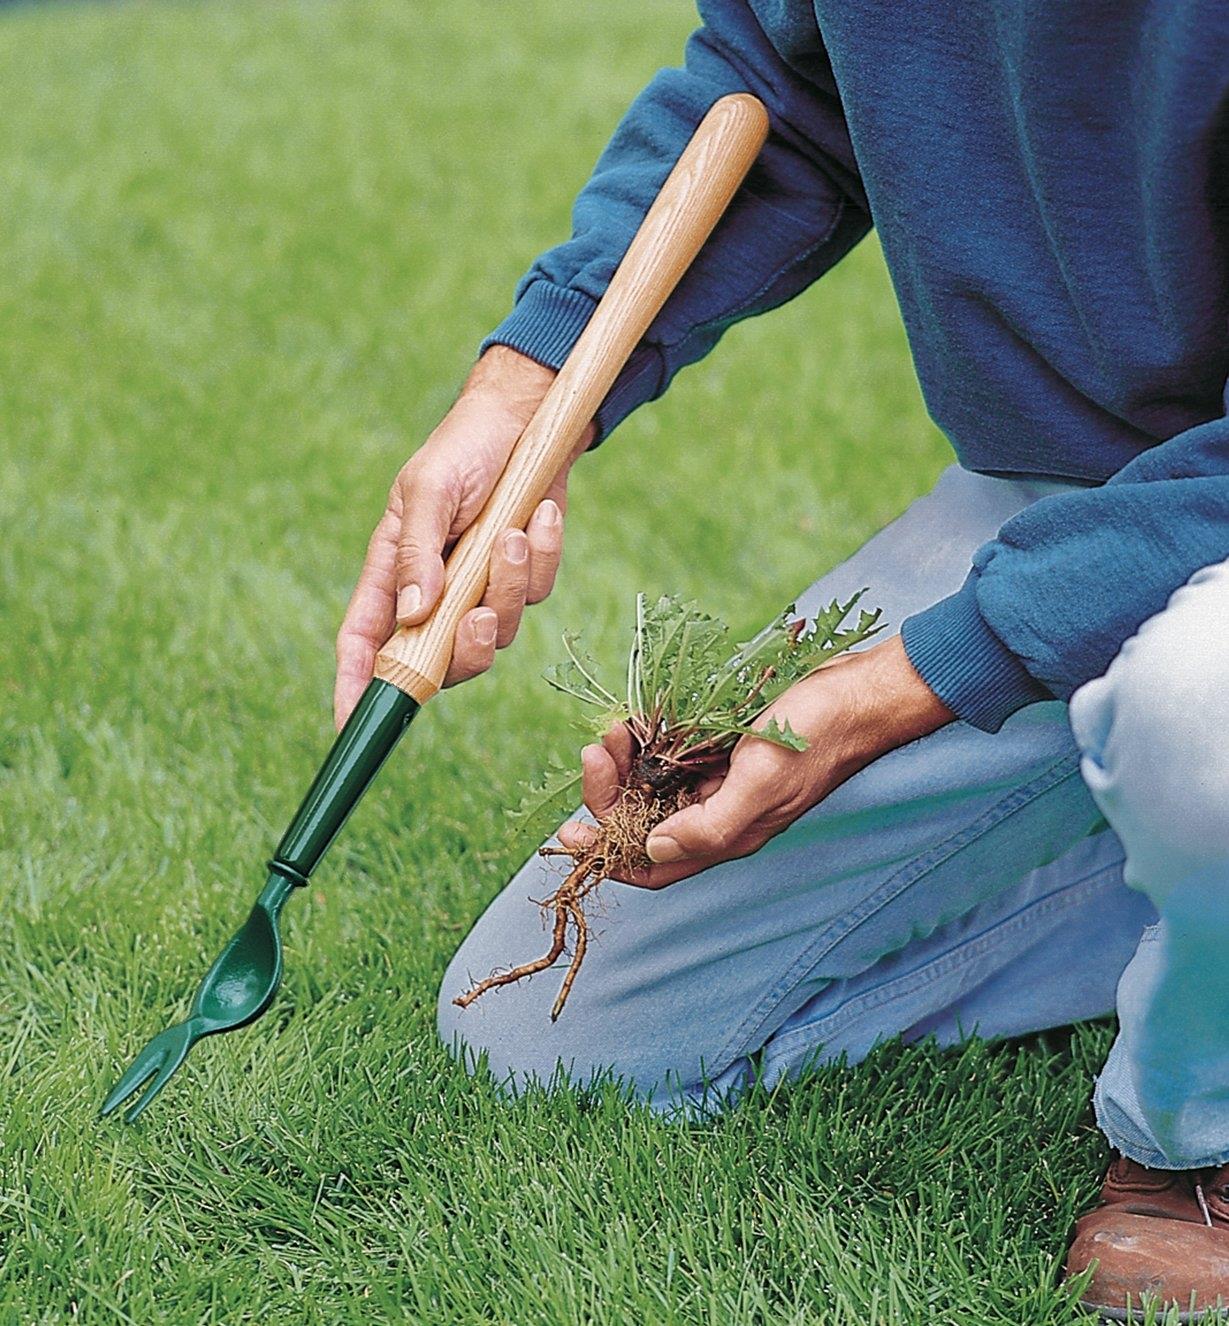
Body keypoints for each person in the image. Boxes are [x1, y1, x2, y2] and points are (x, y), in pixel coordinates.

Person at [333, 3, 1229, 1316]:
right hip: (1050, 496)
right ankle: (1174, 856)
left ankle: (1191, 1149)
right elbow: (777, 88)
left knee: (1190, 708)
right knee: (542, 1035)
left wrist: (899, 687)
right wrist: (524, 392)